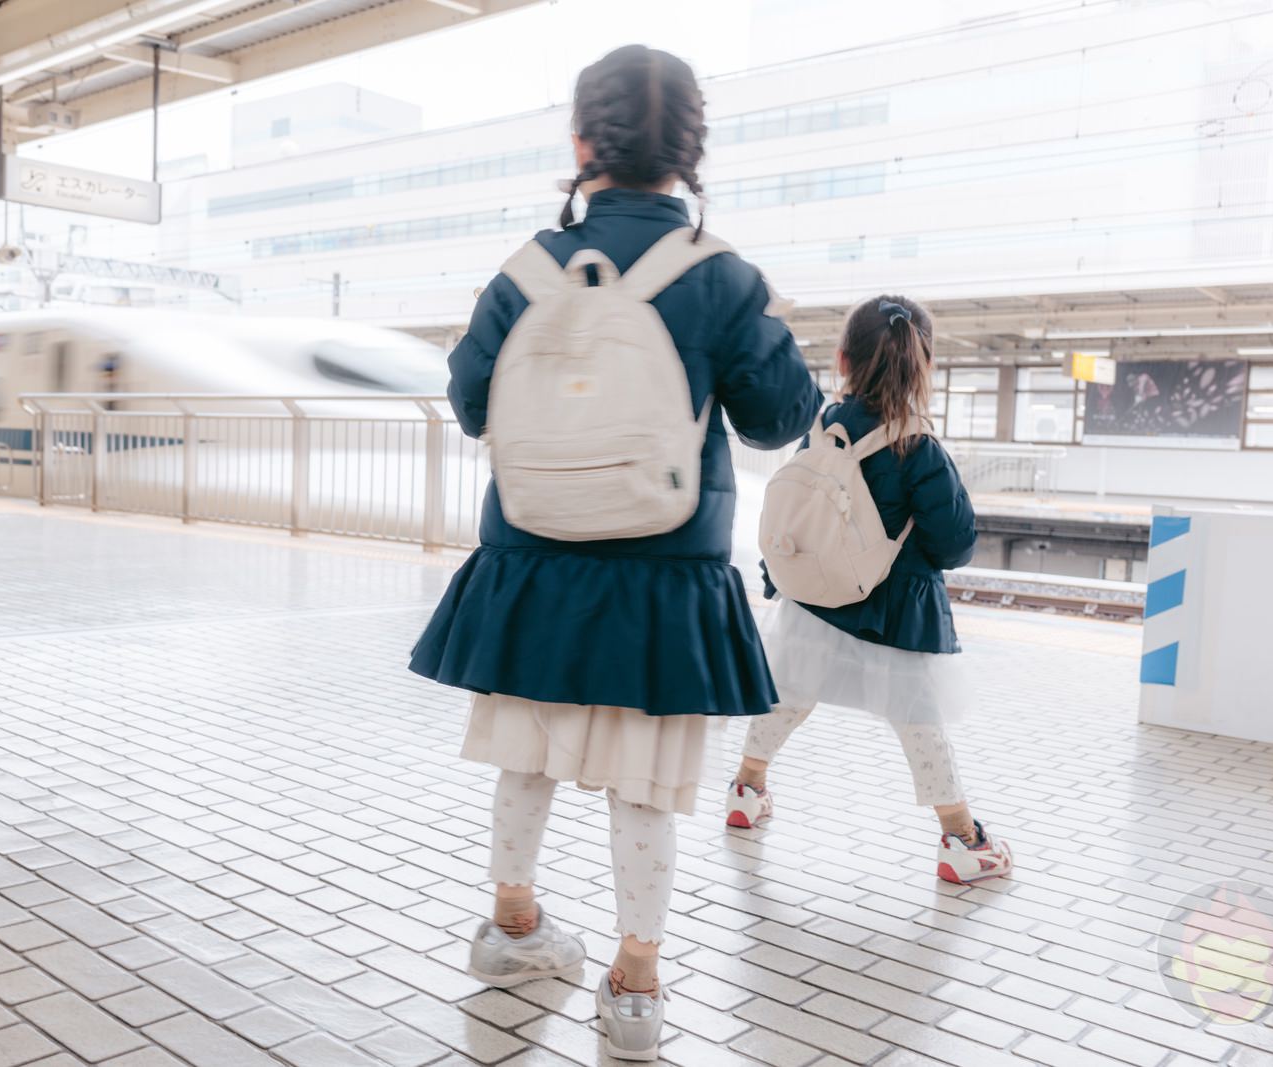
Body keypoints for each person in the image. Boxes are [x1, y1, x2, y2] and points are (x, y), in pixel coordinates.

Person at [409, 44, 819, 1061]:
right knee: (646, 786)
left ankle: (512, 927)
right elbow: (778, 419)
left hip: (532, 558)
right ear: (689, 151)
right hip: (664, 571)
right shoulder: (721, 275)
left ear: (581, 141)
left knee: (526, 755)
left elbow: (470, 403)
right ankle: (636, 988)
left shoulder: (525, 270)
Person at [725, 294, 1014, 886]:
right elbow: (954, 545)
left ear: (842, 360)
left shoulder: (821, 430)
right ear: (923, 365)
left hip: (814, 603)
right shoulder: (918, 446)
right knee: (919, 724)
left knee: (789, 698)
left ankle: (746, 791)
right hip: (894, 615)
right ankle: (962, 839)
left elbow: (801, 514)